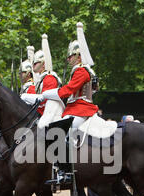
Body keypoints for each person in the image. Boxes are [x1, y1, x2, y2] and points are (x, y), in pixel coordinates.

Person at [40, 22, 99, 185]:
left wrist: (46, 94)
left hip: (82, 109)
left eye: (71, 56)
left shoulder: (82, 71)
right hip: (74, 109)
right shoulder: (80, 70)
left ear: (79, 56)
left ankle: (66, 172)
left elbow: (68, 91)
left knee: (59, 132)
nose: (68, 59)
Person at [21, 34, 62, 122]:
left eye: (35, 63)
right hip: (42, 112)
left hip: (50, 114)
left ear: (43, 64)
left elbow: (44, 100)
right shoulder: (42, 79)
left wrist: (24, 97)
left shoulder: (49, 78)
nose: (33, 66)